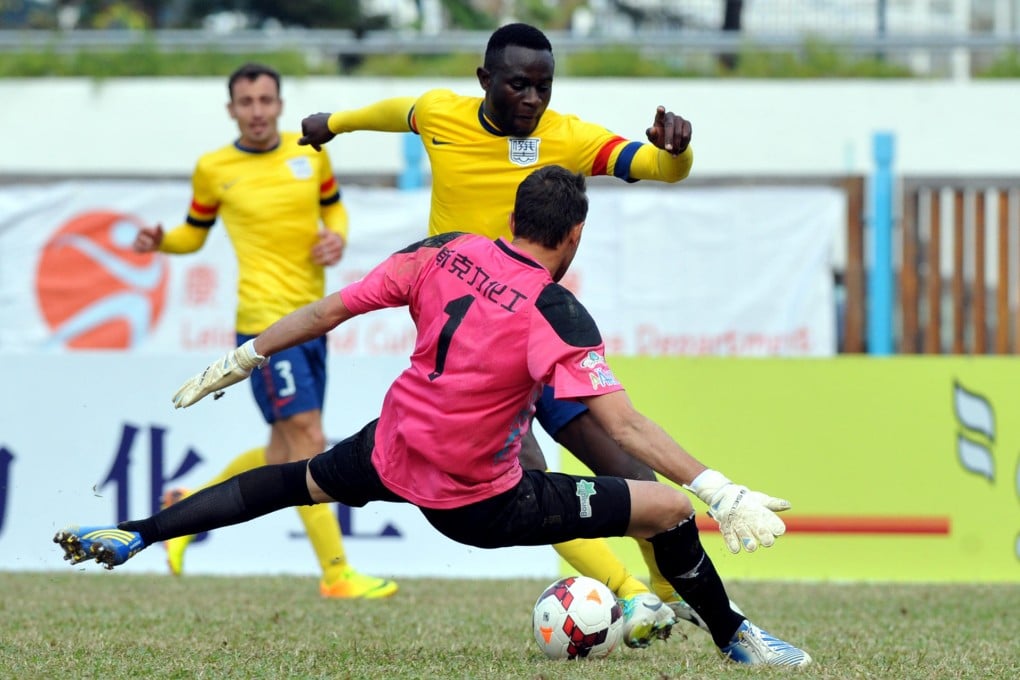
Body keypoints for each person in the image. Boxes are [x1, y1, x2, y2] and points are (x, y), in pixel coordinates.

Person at [55, 166, 811, 667]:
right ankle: (735, 637)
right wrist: (720, 490)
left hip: (391, 451)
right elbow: (625, 426)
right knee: (668, 509)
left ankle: (137, 532)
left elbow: (328, 309)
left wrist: (245, 356)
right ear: (574, 237)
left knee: (290, 480)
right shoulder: (556, 309)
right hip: (480, 502)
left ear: (512, 217)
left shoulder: (446, 250)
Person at [296, 22, 729, 639]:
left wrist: (676, 150)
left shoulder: (568, 136)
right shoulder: (443, 116)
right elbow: (397, 112)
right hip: (475, 353)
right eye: (518, 85)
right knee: (525, 480)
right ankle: (631, 594)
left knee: (629, 470)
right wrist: (333, 123)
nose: (532, 99)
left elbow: (659, 166)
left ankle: (662, 589)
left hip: (539, 336)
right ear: (485, 80)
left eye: (543, 87)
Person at [131, 62, 397, 600]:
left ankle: (184, 510)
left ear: (279, 105)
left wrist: (337, 239)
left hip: (315, 319)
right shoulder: (214, 168)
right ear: (231, 109)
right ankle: (337, 573)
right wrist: (163, 242)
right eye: (246, 102)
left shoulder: (310, 154)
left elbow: (335, 211)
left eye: (265, 100)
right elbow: (194, 233)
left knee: (281, 451)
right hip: (264, 329)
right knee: (307, 439)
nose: (257, 111)